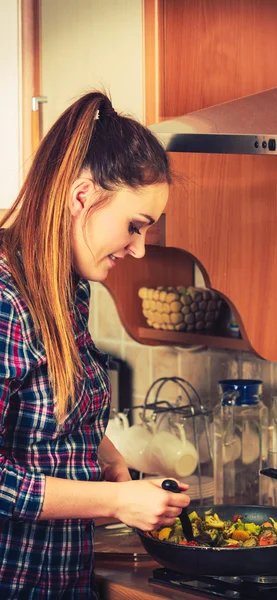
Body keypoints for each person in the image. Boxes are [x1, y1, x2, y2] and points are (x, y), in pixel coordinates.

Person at [0, 91, 190, 598]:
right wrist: (114, 502)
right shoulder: (4, 301)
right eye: (134, 226)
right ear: (82, 196)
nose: (139, 247)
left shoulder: (66, 289)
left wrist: (106, 457)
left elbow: (47, 409)